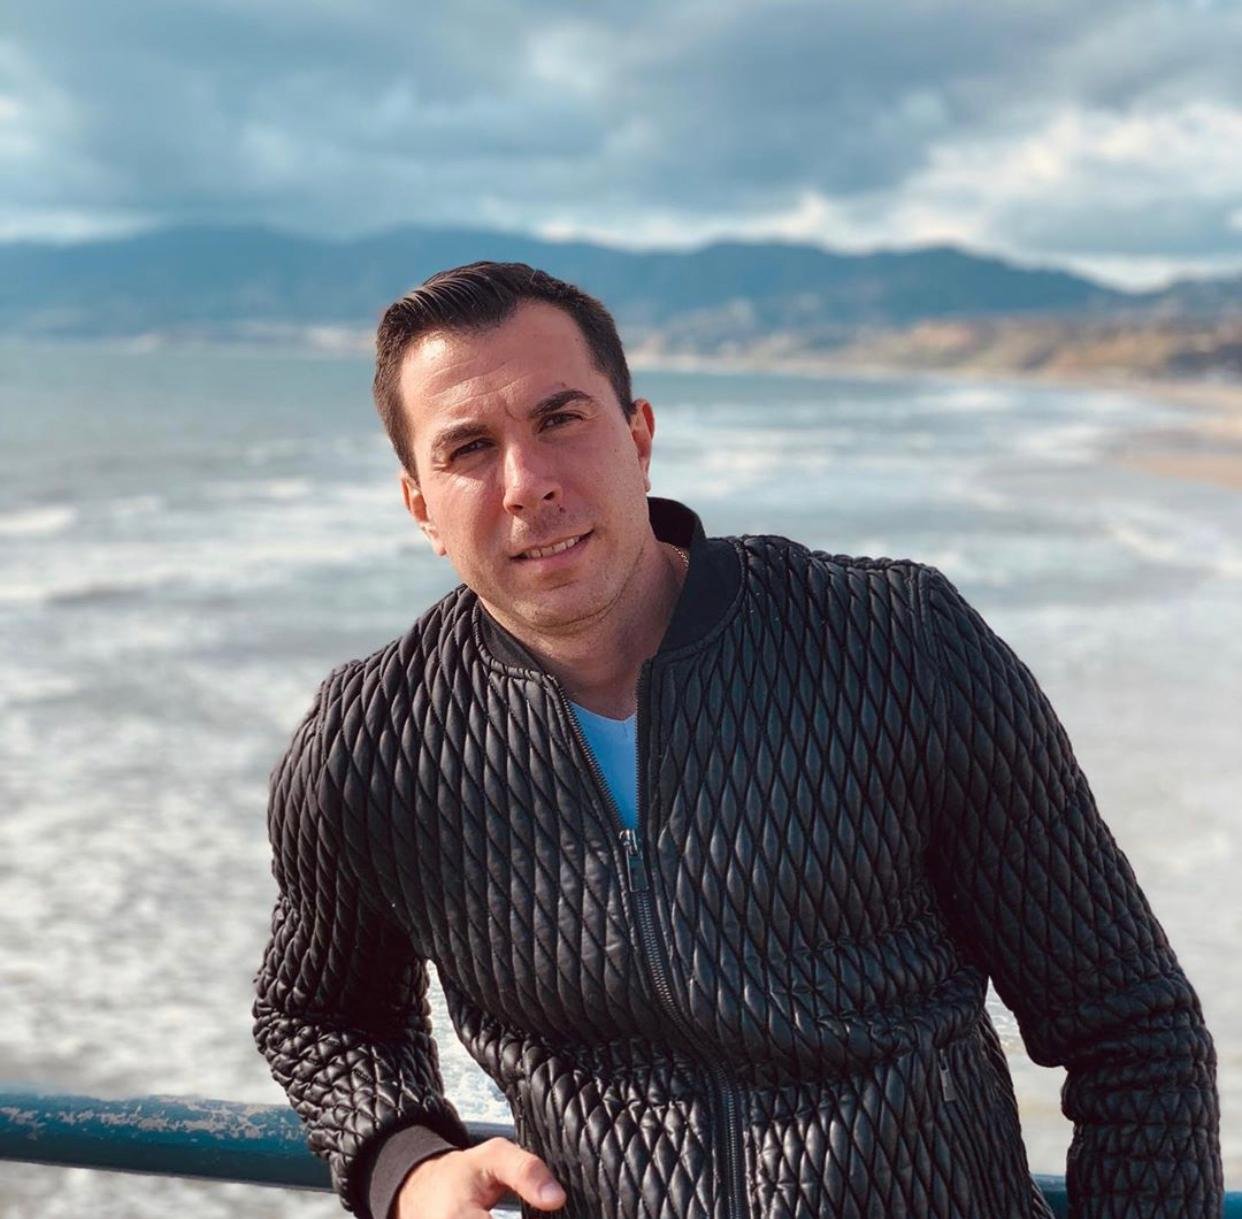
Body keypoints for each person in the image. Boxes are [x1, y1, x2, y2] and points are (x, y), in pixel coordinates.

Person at [252, 261, 1222, 1219]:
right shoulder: (374, 744)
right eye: (468, 448)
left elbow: (1132, 1029)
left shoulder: (894, 646)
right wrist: (408, 1163)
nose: (528, 483)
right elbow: (319, 1013)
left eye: (561, 419)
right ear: (421, 505)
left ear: (639, 437)